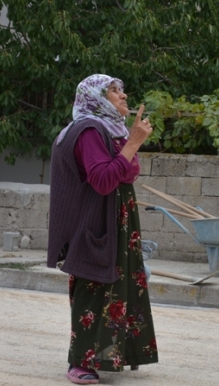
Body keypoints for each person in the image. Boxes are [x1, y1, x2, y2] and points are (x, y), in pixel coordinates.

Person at [47, 74, 158, 384]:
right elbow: (103, 179)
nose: (123, 96)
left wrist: (129, 142)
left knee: (118, 289)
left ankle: (115, 354)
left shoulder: (109, 131)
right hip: (95, 221)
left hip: (116, 219)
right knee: (93, 287)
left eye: (122, 89)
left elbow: (126, 170)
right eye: (113, 90)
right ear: (95, 97)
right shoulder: (88, 131)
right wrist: (134, 142)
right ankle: (79, 362)